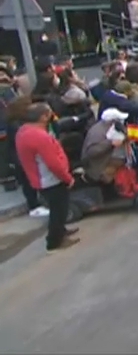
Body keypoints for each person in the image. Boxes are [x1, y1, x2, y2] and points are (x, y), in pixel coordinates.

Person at [15, 102, 80, 252]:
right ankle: (54, 240)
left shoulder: (24, 131)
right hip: (51, 180)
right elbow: (53, 163)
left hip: (42, 178)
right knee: (59, 211)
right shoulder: (39, 136)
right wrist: (67, 178)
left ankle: (61, 231)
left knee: (58, 209)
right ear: (43, 117)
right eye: (49, 113)